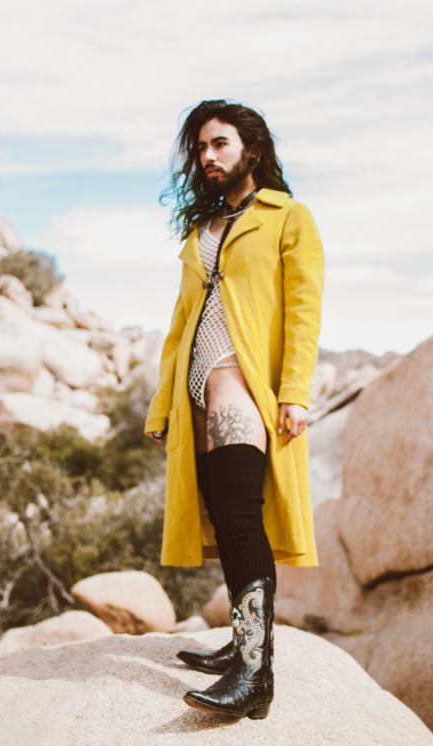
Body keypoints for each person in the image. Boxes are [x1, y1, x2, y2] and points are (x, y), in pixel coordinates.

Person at [144, 99, 324, 720]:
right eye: (200, 148)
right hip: (194, 388)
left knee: (244, 518)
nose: (208, 157)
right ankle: (243, 648)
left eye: (219, 144)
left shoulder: (288, 217)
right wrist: (162, 402)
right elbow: (179, 323)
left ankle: (256, 673)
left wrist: (296, 392)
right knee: (223, 516)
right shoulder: (203, 229)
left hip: (244, 387)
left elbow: (304, 310)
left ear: (251, 148)